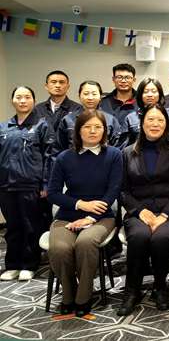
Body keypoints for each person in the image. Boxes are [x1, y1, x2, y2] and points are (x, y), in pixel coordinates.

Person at [47, 110, 122, 317]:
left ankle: (83, 296)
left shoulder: (114, 155)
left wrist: (90, 217)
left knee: (85, 243)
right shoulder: (64, 157)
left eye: (98, 127)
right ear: (78, 131)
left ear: (105, 131)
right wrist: (81, 205)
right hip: (68, 215)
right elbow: (53, 193)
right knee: (60, 248)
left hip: (102, 216)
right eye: (87, 127)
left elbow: (114, 190)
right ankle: (68, 294)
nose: (93, 131)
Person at [118, 104, 169, 316]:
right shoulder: (127, 153)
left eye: (160, 120)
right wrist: (140, 211)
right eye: (150, 119)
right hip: (139, 212)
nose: (155, 124)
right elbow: (122, 191)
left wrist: (164, 215)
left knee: (161, 238)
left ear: (166, 124)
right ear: (142, 123)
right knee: (139, 237)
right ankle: (132, 290)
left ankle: (160, 287)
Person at [0, 86, 55, 281]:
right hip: (6, 186)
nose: (22, 101)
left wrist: (46, 184)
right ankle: (12, 265)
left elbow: (50, 157)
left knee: (31, 226)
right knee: (12, 227)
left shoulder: (42, 125)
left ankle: (29, 264)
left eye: (27, 97)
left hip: (31, 185)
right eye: (18, 97)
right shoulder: (4, 127)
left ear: (33, 101)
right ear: (12, 101)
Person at [55, 81, 123, 152]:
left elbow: (117, 147)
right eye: (86, 94)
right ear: (79, 96)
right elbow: (59, 148)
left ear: (100, 97)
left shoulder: (110, 120)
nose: (90, 98)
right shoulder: (68, 120)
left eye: (94, 94)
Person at [122, 78, 169, 146]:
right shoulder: (131, 118)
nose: (150, 95)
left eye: (154, 91)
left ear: (159, 94)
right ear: (140, 94)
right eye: (146, 92)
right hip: (138, 151)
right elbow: (125, 145)